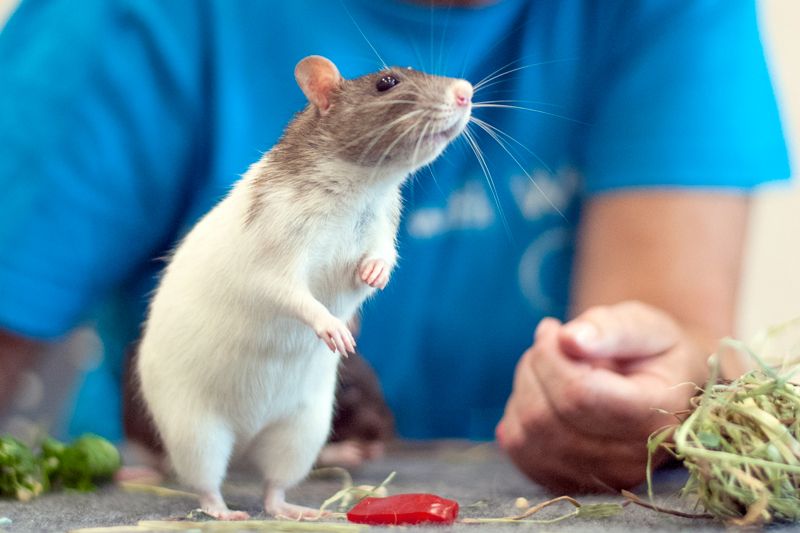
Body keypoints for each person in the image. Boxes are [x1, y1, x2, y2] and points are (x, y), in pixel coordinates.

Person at [0, 0, 789, 492]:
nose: (458, 93)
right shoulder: (114, 17)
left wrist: (645, 382)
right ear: (322, 103)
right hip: (175, 472)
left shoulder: (675, 10)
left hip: (479, 482)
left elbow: (679, 336)